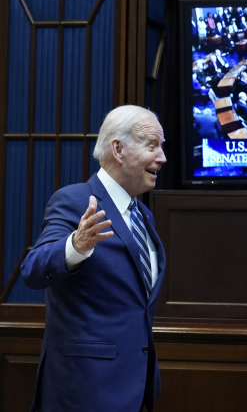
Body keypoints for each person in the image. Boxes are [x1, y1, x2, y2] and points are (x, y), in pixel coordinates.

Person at [20, 105, 168, 412]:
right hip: (85, 390)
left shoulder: (145, 217)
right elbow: (33, 270)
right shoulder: (74, 200)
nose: (162, 157)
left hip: (137, 388)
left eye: (162, 147)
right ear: (118, 149)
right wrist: (76, 245)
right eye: (152, 145)